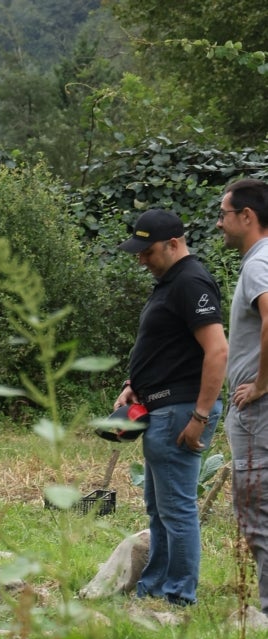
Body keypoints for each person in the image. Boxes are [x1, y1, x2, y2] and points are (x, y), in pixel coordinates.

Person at [112, 208, 228, 606]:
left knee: (177, 511)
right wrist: (133, 385)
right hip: (159, 410)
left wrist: (199, 415)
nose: (141, 259)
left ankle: (178, 595)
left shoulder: (191, 281)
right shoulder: (168, 282)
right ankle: (155, 587)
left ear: (174, 244)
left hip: (180, 412)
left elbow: (217, 351)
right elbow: (165, 348)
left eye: (148, 252)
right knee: (159, 508)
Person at [217, 177, 268, 614]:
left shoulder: (258, 264)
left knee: (257, 512)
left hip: (259, 411)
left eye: (224, 214)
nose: (220, 224)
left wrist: (262, 384)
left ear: (247, 217)